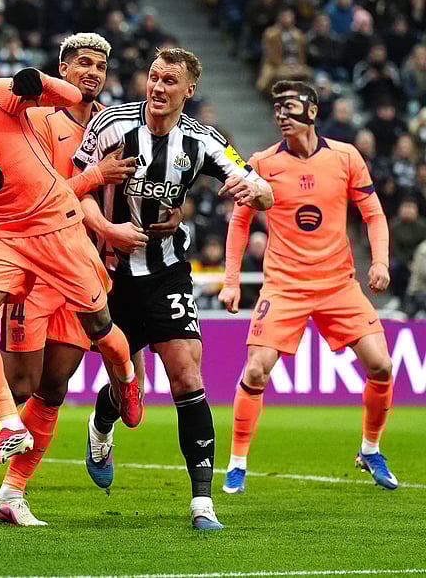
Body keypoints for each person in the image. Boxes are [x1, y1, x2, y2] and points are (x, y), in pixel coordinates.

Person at [0, 34, 144, 519]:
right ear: (62, 66)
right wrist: (95, 177)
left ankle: (15, 491)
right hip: (29, 248)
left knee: (57, 385)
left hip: (79, 252)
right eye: (82, 63)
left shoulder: (118, 128)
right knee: (21, 380)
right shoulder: (35, 116)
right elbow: (20, 178)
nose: (92, 72)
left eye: (100, 65)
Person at [73, 48, 274, 530]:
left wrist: (256, 192)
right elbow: (73, 187)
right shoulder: (111, 124)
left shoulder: (202, 141)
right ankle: (103, 422)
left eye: (170, 81)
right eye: (154, 77)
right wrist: (109, 228)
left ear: (189, 90)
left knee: (187, 377)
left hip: (167, 274)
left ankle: (202, 502)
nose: (158, 87)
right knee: (127, 389)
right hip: (112, 274)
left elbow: (261, 188)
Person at [219, 80, 397, 492]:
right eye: (277, 109)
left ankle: (370, 450)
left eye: (290, 107)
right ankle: (237, 464)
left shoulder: (345, 157)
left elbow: (373, 214)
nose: (282, 115)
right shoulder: (262, 163)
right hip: (284, 286)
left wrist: (381, 262)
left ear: (313, 112)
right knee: (257, 370)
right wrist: (231, 282)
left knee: (382, 366)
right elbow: (239, 221)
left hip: (338, 284)